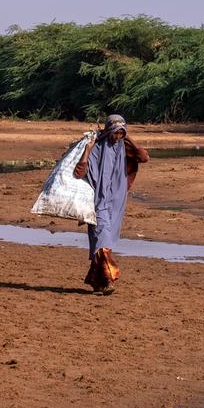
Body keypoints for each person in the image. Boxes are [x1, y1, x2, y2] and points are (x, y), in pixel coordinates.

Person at [73, 115, 149, 295]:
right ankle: (108, 279)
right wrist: (86, 150)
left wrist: (129, 138)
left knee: (103, 241)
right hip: (96, 201)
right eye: (115, 133)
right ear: (108, 131)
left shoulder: (125, 147)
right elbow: (79, 172)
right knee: (102, 238)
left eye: (121, 134)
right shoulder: (95, 147)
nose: (118, 137)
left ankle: (96, 282)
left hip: (116, 201)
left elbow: (144, 157)